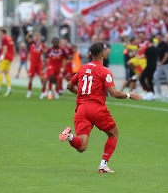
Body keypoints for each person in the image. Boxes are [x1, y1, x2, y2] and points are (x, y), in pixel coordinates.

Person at [59, 42, 141, 173]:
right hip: (96, 107)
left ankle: (69, 136)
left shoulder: (83, 68)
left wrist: (82, 93)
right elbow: (113, 93)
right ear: (103, 54)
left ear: (91, 54)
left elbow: (69, 86)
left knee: (82, 146)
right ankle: (103, 165)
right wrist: (129, 95)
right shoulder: (105, 71)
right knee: (113, 134)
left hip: (81, 108)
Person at [153, 33, 168, 99]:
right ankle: (158, 92)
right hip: (161, 64)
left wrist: (161, 62)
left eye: (159, 37)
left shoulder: (165, 45)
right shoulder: (158, 45)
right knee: (155, 77)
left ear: (161, 37)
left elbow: (167, 55)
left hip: (167, 64)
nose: (158, 38)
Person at [0, 29, 14, 97]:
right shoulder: (10, 38)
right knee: (6, 73)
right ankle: (9, 88)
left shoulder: (4, 39)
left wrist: (1, 58)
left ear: (2, 32)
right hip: (10, 58)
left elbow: (5, 49)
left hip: (5, 58)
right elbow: (13, 48)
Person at [25, 32, 46, 98]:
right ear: (34, 37)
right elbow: (27, 38)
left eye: (37, 36)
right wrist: (29, 34)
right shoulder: (32, 43)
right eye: (35, 36)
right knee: (30, 77)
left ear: (39, 37)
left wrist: (42, 48)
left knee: (41, 77)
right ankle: (29, 91)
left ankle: (43, 92)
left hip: (39, 63)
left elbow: (46, 51)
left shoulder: (42, 45)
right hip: (33, 63)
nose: (36, 38)